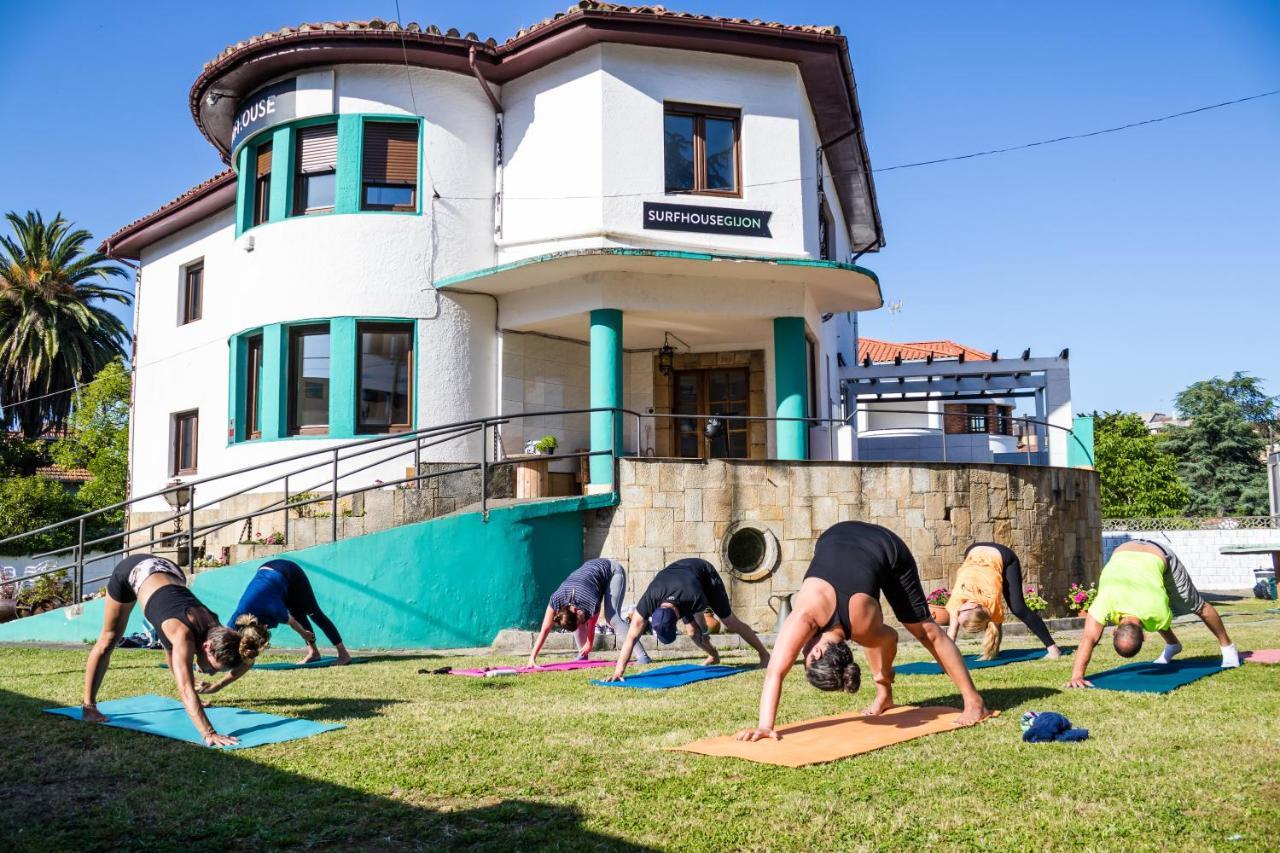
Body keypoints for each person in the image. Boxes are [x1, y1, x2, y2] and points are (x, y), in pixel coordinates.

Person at [736, 522, 989, 742]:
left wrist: (765, 726)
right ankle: (885, 696)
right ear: (824, 651)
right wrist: (883, 681)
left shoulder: (806, 615)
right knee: (878, 637)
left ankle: (974, 701)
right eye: (807, 659)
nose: (802, 652)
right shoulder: (863, 629)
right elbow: (888, 638)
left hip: (886, 548)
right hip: (841, 539)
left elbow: (775, 672)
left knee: (926, 631)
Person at [82, 554, 270, 747]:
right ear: (207, 647)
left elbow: (248, 658)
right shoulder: (184, 635)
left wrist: (218, 686)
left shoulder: (221, 632)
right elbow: (186, 690)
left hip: (170, 571)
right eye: (213, 668)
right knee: (109, 639)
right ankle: (89, 706)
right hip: (134, 571)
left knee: (172, 647)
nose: (211, 673)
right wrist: (209, 732)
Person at [1066, 540, 1239, 688]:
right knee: (1154, 618)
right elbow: (1089, 639)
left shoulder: (1153, 610)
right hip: (1124, 551)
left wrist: (1078, 675)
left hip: (1160, 556)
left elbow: (1089, 638)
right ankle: (1173, 645)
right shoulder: (1109, 605)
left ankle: (1228, 648)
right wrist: (1076, 675)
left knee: (1198, 606)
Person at [198, 559, 350, 695]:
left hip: (288, 571)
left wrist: (304, 634)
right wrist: (204, 661)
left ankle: (343, 654)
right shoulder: (235, 622)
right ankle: (314, 653)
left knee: (312, 613)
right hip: (270, 580)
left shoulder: (275, 610)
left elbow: (291, 621)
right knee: (296, 611)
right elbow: (238, 654)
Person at [604, 558, 769, 681]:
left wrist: (702, 631)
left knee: (729, 622)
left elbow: (702, 625)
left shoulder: (694, 596)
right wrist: (618, 671)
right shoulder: (649, 600)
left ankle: (765, 655)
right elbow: (631, 637)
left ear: (677, 618)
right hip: (677, 580)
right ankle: (714, 656)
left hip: (705, 577)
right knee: (691, 632)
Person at [946, 542, 1063, 660]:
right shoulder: (958, 602)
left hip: (1003, 555)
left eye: (958, 613)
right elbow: (953, 629)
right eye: (959, 614)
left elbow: (996, 626)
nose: (957, 612)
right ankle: (994, 652)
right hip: (973, 550)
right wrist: (944, 657)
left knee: (1018, 608)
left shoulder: (990, 599)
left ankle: (1053, 649)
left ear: (973, 605)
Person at [528, 557, 650, 667]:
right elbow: (544, 629)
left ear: (576, 610)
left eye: (580, 620)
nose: (582, 623)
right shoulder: (556, 599)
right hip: (589, 575)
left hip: (613, 572)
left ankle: (643, 656)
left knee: (613, 618)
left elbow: (592, 623)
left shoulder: (588, 598)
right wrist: (532, 658)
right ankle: (582, 655)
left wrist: (589, 643)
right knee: (579, 623)